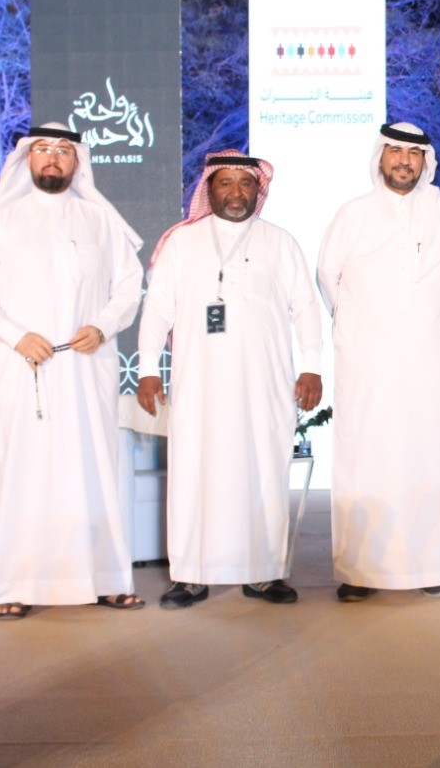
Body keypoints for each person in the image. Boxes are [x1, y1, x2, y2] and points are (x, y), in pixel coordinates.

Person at [0, 124, 144, 619]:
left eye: (62, 150)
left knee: (94, 468)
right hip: (23, 368)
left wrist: (103, 326)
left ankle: (107, 579)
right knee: (25, 471)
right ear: (27, 159)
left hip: (87, 367)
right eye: (42, 149)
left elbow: (129, 284)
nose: (52, 158)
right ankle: (14, 585)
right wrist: (14, 335)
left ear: (77, 161)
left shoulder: (100, 221)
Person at [137, 150, 323, 609]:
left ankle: (264, 572)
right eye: (226, 182)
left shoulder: (279, 242)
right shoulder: (182, 243)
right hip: (199, 384)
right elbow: (157, 309)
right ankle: (190, 575)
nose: (236, 192)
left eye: (246, 183)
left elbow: (305, 306)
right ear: (209, 188)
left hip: (264, 384)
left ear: (258, 189)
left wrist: (312, 366)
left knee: (264, 472)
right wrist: (147, 370)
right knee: (194, 472)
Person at [316, 123, 440, 602]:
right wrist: (361, 325)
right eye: (395, 151)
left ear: (425, 162)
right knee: (365, 458)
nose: (403, 160)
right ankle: (360, 571)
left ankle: (430, 566)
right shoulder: (353, 213)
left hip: (424, 360)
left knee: (425, 457)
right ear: (380, 157)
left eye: (413, 153)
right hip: (367, 363)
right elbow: (327, 276)